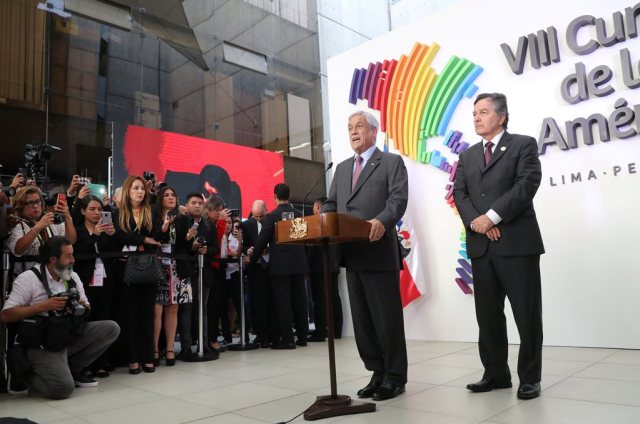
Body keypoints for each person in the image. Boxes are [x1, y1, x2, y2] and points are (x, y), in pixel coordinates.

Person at [452, 92, 544, 400]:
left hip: (517, 244)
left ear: (501, 117)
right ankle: (495, 374)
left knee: (526, 314)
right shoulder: (467, 156)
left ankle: (529, 378)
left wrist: (492, 217)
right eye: (475, 113)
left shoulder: (523, 144)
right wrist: (479, 223)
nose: (476, 117)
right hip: (481, 246)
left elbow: (526, 185)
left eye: (484, 112)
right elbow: (459, 193)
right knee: (488, 316)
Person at [323, 110, 408, 401]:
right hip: (351, 253)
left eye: (359, 126)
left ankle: (395, 376)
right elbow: (332, 203)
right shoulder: (343, 168)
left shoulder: (391, 162)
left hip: (378, 251)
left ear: (374, 131)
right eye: (349, 128)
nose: (353, 132)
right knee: (363, 321)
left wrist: (381, 221)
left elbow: (398, 199)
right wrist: (323, 218)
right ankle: (377, 372)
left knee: (386, 319)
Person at [1, 236, 120, 399]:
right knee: (62, 389)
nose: (73, 259)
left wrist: (76, 306)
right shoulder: (29, 279)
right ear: (53, 259)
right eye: (68, 255)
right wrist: (44, 306)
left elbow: (87, 306)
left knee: (111, 328)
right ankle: (25, 374)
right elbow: (6, 315)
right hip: (41, 342)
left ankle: (71, 368)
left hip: (64, 334)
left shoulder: (72, 276)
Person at [248, 184, 309, 349]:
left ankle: (288, 339)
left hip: (280, 267)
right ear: (289, 195)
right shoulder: (298, 214)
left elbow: (261, 241)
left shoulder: (273, 216)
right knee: (300, 301)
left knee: (283, 303)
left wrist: (252, 260)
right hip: (299, 264)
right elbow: (304, 240)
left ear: (275, 196)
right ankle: (302, 337)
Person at [112, 175, 162, 374]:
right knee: (130, 315)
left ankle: (148, 357)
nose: (140, 191)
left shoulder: (151, 210)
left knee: (147, 314)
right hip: (126, 267)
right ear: (127, 190)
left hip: (148, 266)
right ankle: (132, 359)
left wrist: (158, 233)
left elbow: (158, 236)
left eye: (142, 188)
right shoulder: (118, 212)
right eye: (135, 188)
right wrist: (145, 239)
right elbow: (121, 235)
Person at [73, 195, 118, 377]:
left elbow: (114, 251)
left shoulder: (105, 228)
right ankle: (84, 362)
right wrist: (95, 235)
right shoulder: (77, 231)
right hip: (85, 280)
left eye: (100, 209)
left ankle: (102, 361)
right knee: (86, 320)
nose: (97, 212)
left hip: (106, 279)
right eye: (92, 209)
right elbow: (79, 251)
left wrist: (113, 235)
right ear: (83, 211)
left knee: (105, 317)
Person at [153, 186, 193, 366]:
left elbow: (184, 246)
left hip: (177, 267)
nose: (171, 198)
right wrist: (163, 227)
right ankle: (154, 349)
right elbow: (152, 237)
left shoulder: (183, 219)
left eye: (173, 195)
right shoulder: (153, 216)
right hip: (157, 266)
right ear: (160, 199)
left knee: (174, 308)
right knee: (156, 309)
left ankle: (170, 349)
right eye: (167, 195)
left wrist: (190, 238)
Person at [6, 186, 77, 277]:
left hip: (54, 277)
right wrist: (38, 226)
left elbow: (70, 240)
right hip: (27, 280)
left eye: (37, 201)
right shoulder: (16, 223)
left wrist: (68, 217)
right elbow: (18, 250)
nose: (35, 206)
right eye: (30, 203)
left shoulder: (50, 219)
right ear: (21, 205)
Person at [307, 197, 343, 342]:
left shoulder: (318, 222)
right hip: (334, 265)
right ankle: (337, 331)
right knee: (334, 297)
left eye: (314, 207)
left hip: (319, 266)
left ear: (318, 207)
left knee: (320, 300)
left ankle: (321, 332)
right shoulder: (335, 221)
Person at [241, 200, 274, 348]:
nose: (259, 219)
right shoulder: (247, 225)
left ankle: (275, 333)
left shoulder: (274, 222)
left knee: (273, 302)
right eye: (256, 216)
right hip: (257, 268)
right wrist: (247, 250)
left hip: (273, 268)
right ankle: (262, 336)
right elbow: (243, 245)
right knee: (259, 304)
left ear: (267, 210)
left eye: (261, 215)